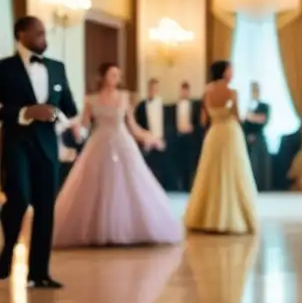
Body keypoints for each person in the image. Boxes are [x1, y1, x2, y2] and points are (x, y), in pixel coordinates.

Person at [53, 63, 182, 248]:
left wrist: (149, 137)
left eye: (118, 75)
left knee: (131, 182)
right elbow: (84, 125)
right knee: (97, 185)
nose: (116, 78)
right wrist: (73, 128)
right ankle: (96, 230)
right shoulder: (92, 99)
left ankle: (133, 228)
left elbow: (133, 126)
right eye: (113, 74)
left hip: (123, 143)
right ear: (103, 76)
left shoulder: (124, 97)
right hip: (99, 143)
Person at [0, 16, 78, 288]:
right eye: (39, 34)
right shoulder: (4, 68)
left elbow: (69, 107)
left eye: (45, 34)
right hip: (16, 143)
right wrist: (25, 112)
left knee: (46, 208)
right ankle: (7, 251)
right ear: (21, 34)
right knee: (19, 199)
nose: (45, 39)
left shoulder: (57, 68)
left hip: (47, 145)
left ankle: (39, 273)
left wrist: (54, 112)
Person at [183, 61, 259, 234]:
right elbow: (237, 116)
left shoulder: (206, 92)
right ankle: (232, 215)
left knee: (210, 173)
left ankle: (205, 217)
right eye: (230, 69)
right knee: (232, 172)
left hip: (214, 133)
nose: (232, 73)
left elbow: (203, 120)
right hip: (230, 133)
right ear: (224, 72)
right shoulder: (232, 92)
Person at [134, 78, 172, 189]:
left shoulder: (162, 104)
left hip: (161, 140)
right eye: (151, 88)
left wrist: (165, 139)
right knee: (148, 168)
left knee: (162, 167)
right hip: (147, 142)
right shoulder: (141, 106)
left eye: (155, 88)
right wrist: (144, 139)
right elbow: (138, 124)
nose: (153, 90)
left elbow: (167, 123)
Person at [242, 81, 272, 191]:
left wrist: (251, 117)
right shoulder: (248, 106)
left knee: (262, 163)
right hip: (248, 138)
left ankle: (263, 187)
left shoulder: (264, 106)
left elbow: (263, 120)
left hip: (259, 136)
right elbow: (244, 122)